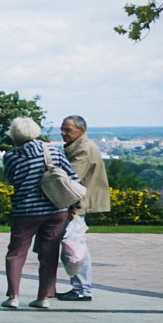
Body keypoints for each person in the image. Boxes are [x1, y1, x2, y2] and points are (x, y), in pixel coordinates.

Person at [0, 115, 79, 311]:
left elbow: (11, 180)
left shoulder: (10, 156)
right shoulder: (53, 151)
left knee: (16, 253)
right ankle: (43, 297)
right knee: (49, 253)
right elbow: (73, 177)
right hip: (55, 209)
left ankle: (13, 296)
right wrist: (73, 206)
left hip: (25, 211)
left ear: (15, 135)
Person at [59, 114, 109, 302]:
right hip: (77, 203)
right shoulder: (80, 147)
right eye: (62, 129)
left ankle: (82, 289)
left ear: (82, 130)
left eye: (68, 130)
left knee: (75, 248)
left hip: (77, 204)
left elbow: (71, 177)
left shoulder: (84, 149)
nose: (63, 133)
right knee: (76, 246)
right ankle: (80, 288)